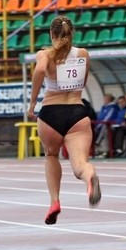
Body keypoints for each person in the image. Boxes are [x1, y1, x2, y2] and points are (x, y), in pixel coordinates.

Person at [28, 15, 102, 225]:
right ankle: (90, 178)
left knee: (51, 155)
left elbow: (41, 70)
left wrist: (32, 103)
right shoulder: (83, 54)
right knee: (80, 163)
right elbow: (84, 79)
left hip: (51, 112)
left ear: (51, 34)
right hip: (77, 113)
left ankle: (55, 202)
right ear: (72, 33)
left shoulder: (45, 54)